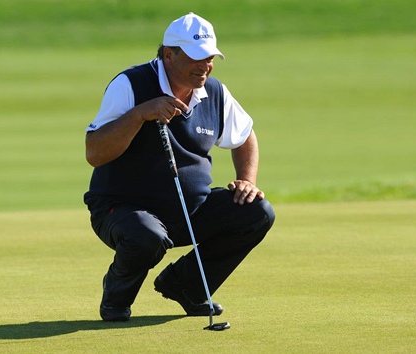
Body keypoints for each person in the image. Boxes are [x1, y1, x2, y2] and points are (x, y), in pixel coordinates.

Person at [84, 12, 276, 322]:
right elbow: (94, 152)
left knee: (256, 211)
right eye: (197, 57)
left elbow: (245, 137)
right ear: (168, 55)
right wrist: (139, 115)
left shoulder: (214, 93)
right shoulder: (131, 85)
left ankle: (187, 286)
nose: (205, 65)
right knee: (147, 236)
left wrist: (247, 180)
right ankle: (116, 298)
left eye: (210, 57)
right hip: (122, 211)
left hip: (190, 211)